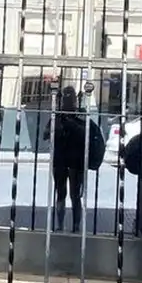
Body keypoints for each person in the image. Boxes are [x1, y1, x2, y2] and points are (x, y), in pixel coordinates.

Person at [43, 86, 86, 233]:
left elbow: (85, 134)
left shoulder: (78, 115)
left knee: (72, 195)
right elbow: (46, 134)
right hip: (65, 159)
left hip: (71, 160)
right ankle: (67, 225)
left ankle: (70, 226)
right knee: (66, 193)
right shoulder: (59, 116)